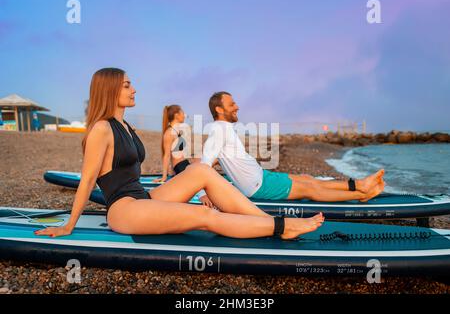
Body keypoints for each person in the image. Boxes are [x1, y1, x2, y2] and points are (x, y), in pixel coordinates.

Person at [35, 68, 324, 240]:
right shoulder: (101, 129)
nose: (134, 89)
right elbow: (87, 181)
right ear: (110, 90)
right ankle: (279, 228)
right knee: (205, 215)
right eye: (127, 85)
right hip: (123, 210)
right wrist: (68, 225)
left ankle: (263, 221)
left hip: (144, 198)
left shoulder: (125, 124)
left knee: (202, 171)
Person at [201, 91, 385, 203]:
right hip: (258, 186)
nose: (237, 106)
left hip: (261, 176)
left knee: (306, 178)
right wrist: (202, 194)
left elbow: (220, 156)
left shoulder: (224, 129)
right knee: (310, 189)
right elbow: (203, 166)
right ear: (219, 109)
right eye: (232, 104)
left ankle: (357, 184)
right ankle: (361, 193)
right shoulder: (218, 131)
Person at [153, 104, 213, 207]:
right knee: (198, 177)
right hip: (180, 166)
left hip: (184, 163)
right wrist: (164, 176)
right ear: (176, 115)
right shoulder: (169, 133)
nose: (185, 115)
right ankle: (203, 196)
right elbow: (167, 156)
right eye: (183, 113)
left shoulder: (178, 130)